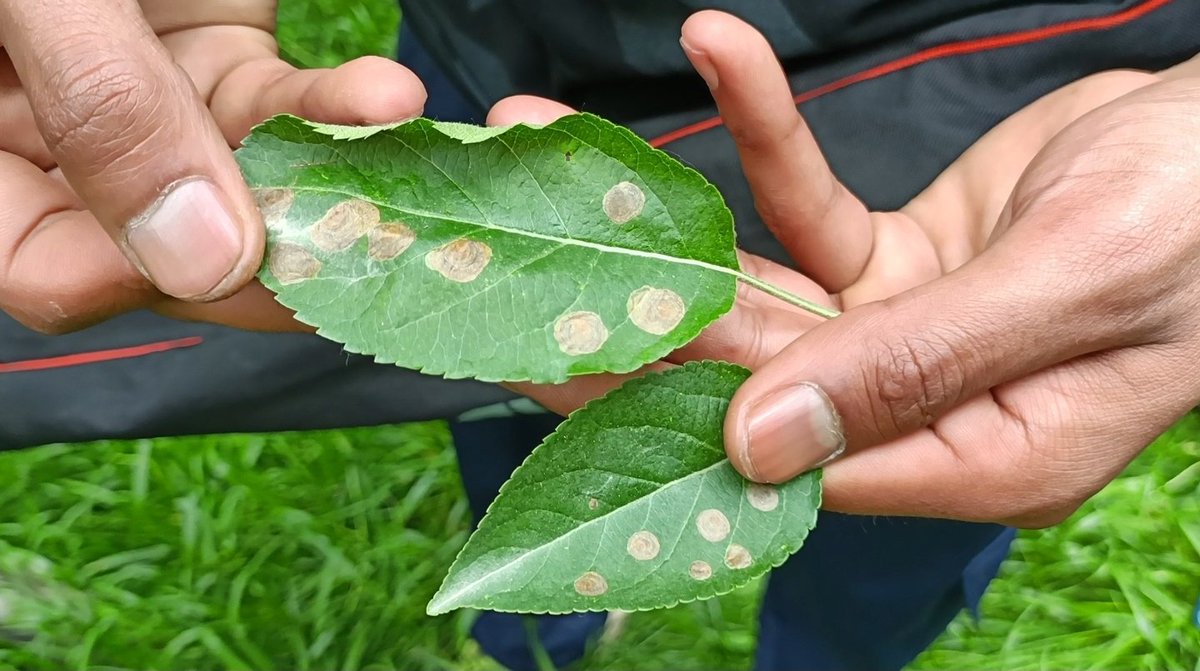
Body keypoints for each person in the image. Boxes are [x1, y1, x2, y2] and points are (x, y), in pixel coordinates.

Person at [1, 1, 1198, 670]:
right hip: (519, 40)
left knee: (897, 498)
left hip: (1036, 106)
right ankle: (539, 628)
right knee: (521, 391)